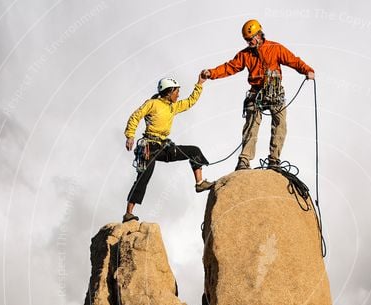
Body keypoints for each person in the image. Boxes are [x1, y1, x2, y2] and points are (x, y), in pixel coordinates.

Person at [201, 19, 314, 171]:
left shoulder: (275, 48)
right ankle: (244, 160)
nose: (249, 42)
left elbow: (293, 60)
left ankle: (274, 160)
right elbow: (230, 67)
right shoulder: (245, 55)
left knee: (280, 124)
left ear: (259, 34)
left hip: (275, 93)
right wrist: (211, 73)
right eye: (247, 40)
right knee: (251, 125)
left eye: (251, 38)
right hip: (256, 94)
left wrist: (307, 70)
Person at [122, 74, 214, 222]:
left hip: (164, 146)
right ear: (169, 91)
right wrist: (130, 135)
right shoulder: (152, 104)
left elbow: (190, 102)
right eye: (176, 91)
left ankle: (199, 183)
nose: (178, 94)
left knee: (193, 151)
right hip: (149, 146)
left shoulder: (173, 106)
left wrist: (199, 84)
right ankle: (128, 213)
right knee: (143, 178)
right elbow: (136, 116)